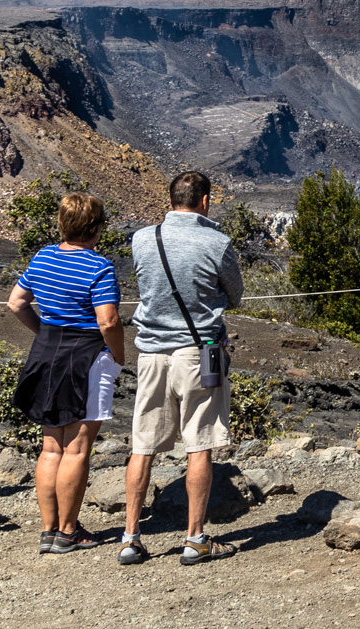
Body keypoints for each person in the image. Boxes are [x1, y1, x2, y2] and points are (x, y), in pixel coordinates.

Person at [120, 171, 244, 566]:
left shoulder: (142, 239)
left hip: (152, 354)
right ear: (205, 201)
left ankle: (130, 538)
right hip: (197, 354)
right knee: (199, 443)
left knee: (143, 444)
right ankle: (195, 539)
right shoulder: (218, 243)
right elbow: (236, 295)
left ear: (171, 199)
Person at [7, 192, 125, 555]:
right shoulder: (99, 268)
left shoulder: (43, 256)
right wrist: (119, 356)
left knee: (51, 446)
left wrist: (44, 332)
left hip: (46, 352)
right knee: (76, 449)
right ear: (97, 228)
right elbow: (108, 321)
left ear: (62, 223)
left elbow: (15, 303)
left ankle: (48, 529)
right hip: (85, 355)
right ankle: (68, 531)